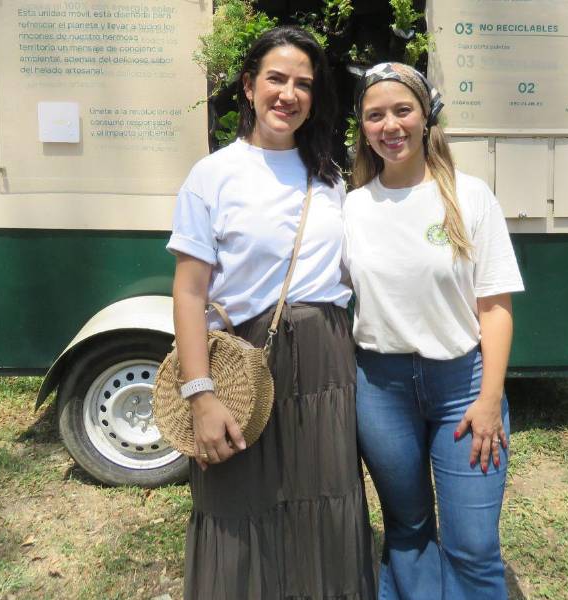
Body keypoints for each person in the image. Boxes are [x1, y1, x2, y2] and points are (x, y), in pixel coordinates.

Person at [166, 26, 375, 600]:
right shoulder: (213, 175)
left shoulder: (331, 176)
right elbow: (188, 294)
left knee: (324, 499)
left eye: (303, 84)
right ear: (248, 86)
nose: (288, 94)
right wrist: (200, 395)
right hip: (241, 362)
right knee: (237, 504)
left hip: (327, 362)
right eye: (276, 79)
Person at [343, 62, 524, 599]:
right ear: (363, 128)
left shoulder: (469, 197)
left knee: (471, 543)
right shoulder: (350, 208)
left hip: (462, 387)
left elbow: (494, 306)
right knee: (408, 529)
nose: (390, 125)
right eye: (375, 115)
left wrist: (490, 398)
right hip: (380, 388)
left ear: (426, 116)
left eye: (402, 110)